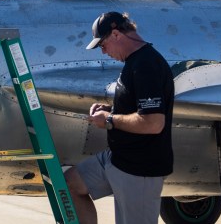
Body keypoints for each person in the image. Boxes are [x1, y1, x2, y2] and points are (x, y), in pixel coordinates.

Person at [65, 11, 174, 224]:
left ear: (116, 35)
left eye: (103, 45)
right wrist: (110, 108)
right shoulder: (134, 62)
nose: (104, 52)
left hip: (140, 168)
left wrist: (109, 120)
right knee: (69, 184)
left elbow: (153, 123)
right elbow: (138, 106)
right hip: (118, 158)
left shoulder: (146, 65)